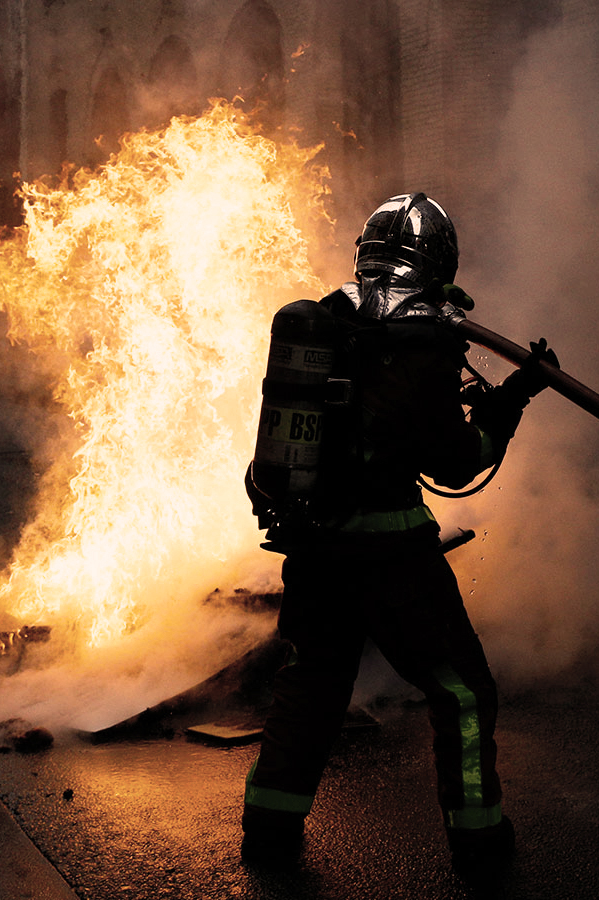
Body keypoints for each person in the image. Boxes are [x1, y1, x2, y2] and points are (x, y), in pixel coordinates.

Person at [241, 192, 556, 877]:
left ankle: (266, 831)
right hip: (393, 560)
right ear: (440, 260)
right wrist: (512, 401)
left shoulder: (329, 322)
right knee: (463, 692)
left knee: (312, 688)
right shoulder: (425, 340)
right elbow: (457, 460)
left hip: (315, 551)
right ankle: (479, 842)